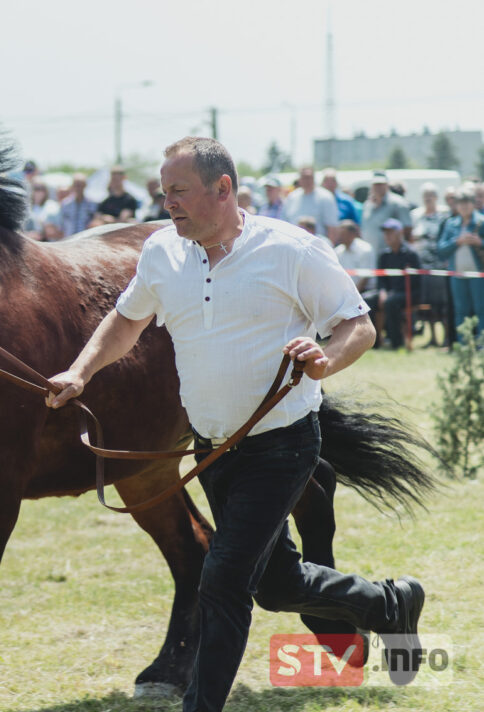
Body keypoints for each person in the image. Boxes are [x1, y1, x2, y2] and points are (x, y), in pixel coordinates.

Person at [46, 136, 425, 712]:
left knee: (222, 581)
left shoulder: (291, 249)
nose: (167, 203)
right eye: (164, 191)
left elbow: (358, 326)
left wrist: (326, 359)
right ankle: (389, 604)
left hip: (282, 445)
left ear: (223, 188)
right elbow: (125, 322)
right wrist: (80, 371)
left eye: (179, 191)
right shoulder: (162, 253)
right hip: (213, 451)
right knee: (274, 584)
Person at [436, 189, 484, 343]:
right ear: (456, 205)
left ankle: (481, 344)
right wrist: (457, 241)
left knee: (481, 309)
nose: (464, 207)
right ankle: (463, 344)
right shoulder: (450, 224)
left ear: (473, 204)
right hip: (457, 274)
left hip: (479, 273)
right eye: (461, 203)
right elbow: (441, 249)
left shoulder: (481, 222)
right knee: (461, 310)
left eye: (467, 203)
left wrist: (480, 242)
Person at [410, 184, 451, 347]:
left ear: (436, 197)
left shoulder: (444, 216)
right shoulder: (416, 216)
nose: (428, 198)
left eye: (431, 195)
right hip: (422, 267)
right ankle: (432, 337)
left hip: (439, 267)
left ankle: (447, 337)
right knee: (428, 304)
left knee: (442, 303)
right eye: (425, 195)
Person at [375, 219, 421, 350]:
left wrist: (389, 294)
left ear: (400, 233)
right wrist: (382, 292)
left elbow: (415, 281)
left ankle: (396, 341)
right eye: (385, 233)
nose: (387, 236)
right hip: (389, 293)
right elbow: (381, 279)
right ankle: (375, 342)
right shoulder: (384, 255)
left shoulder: (411, 254)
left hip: (409, 293)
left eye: (390, 232)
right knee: (367, 300)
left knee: (390, 302)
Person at [279, 165, 339, 238]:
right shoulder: (292, 197)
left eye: (309, 177)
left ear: (313, 178)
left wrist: (330, 244)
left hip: (317, 242)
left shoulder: (326, 197)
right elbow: (284, 222)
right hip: (294, 241)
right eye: (304, 177)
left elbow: (332, 227)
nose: (307, 181)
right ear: (299, 179)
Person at [361, 171, 412, 255]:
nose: (378, 187)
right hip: (370, 254)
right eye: (375, 184)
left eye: (381, 184)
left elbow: (407, 229)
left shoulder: (398, 203)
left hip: (390, 255)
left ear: (387, 185)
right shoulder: (367, 205)